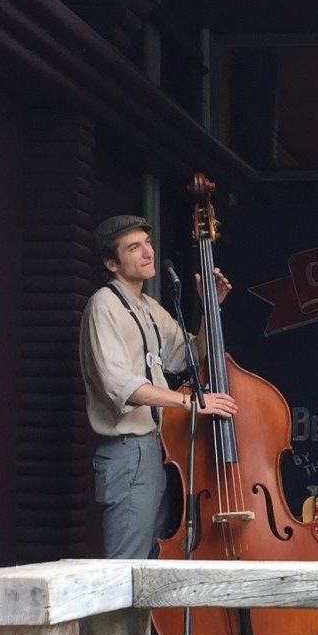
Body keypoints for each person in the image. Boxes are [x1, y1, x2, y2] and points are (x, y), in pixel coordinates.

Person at [79, 214, 237, 558]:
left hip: (156, 448)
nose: (147, 252)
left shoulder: (148, 307)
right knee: (127, 567)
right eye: (133, 247)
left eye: (147, 243)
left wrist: (212, 307)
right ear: (112, 262)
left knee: (151, 563)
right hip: (128, 449)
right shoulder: (103, 306)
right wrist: (191, 402)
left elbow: (190, 357)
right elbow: (121, 385)